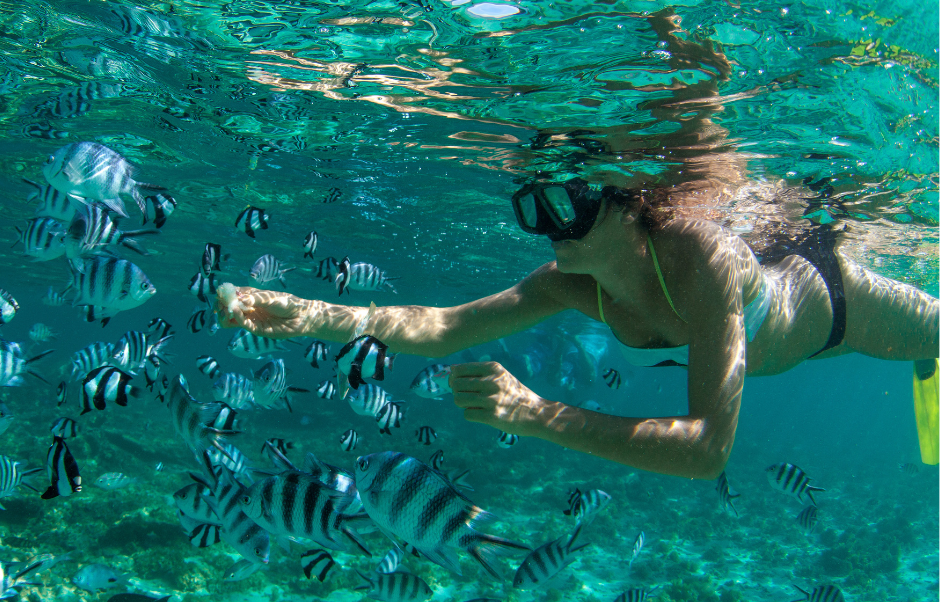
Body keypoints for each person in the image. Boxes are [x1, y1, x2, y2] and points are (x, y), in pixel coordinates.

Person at [216, 177, 939, 480]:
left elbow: (709, 450)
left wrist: (537, 414)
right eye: (536, 207)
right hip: (782, 316)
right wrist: (312, 316)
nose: (553, 227)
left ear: (629, 207)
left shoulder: (703, 257)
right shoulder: (571, 282)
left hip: (831, 302)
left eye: (573, 205)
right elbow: (442, 327)